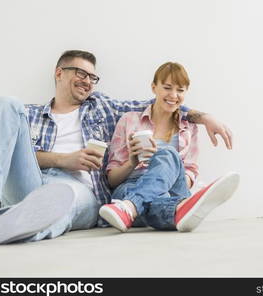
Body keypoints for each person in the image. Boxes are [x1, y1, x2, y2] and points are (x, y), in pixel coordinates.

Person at [0, 50, 233, 246]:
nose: (87, 81)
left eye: (92, 77)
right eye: (81, 73)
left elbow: (162, 102)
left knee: (63, 198)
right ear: (59, 73)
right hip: (32, 181)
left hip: (80, 190)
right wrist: (64, 160)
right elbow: (11, 158)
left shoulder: (102, 106)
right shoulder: (28, 116)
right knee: (4, 103)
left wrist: (205, 117)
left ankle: (9, 226)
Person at [99, 62, 239, 233]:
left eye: (180, 90)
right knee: (159, 200)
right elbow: (111, 179)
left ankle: (130, 207)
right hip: (130, 185)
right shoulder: (129, 120)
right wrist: (131, 162)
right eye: (167, 87)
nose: (173, 95)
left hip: (172, 187)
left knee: (167, 154)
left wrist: (165, 179)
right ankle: (182, 208)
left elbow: (189, 172)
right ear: (154, 87)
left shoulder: (189, 127)